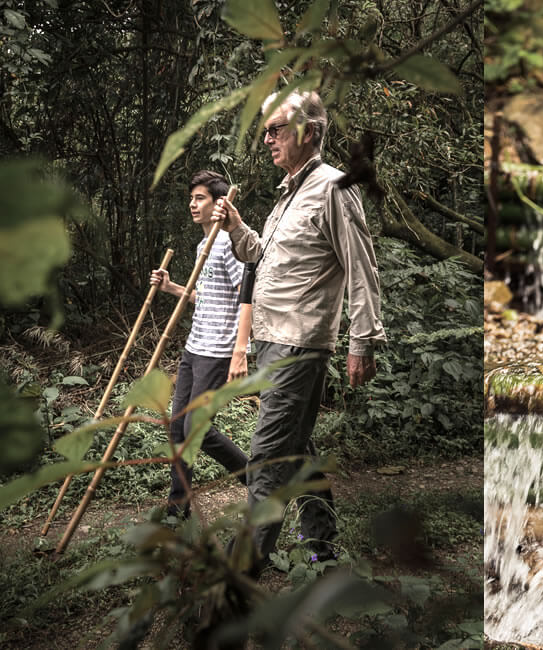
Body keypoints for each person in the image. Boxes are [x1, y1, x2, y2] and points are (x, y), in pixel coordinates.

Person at [211, 90, 387, 569]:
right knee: (298, 449)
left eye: (276, 129)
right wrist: (237, 228)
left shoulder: (334, 187)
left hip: (299, 345)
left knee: (267, 460)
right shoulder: (288, 192)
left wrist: (363, 340)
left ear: (308, 132)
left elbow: (361, 267)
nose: (266, 139)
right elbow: (262, 257)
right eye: (264, 130)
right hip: (271, 340)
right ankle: (323, 546)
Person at [150, 170, 252, 519]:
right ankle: (178, 507)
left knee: (197, 429)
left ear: (218, 203)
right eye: (191, 198)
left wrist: (241, 348)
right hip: (195, 347)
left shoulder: (227, 244)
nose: (192, 205)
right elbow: (206, 297)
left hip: (218, 350)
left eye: (200, 198)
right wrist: (172, 288)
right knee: (179, 426)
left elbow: (247, 297)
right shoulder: (201, 245)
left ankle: (255, 478)